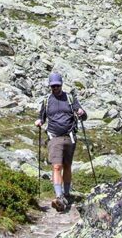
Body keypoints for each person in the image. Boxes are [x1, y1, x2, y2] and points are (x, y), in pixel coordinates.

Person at [35, 72, 87, 213]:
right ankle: (59, 196)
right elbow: (42, 117)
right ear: (50, 86)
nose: (55, 88)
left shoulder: (70, 98)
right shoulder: (46, 101)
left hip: (70, 137)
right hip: (54, 137)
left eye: (57, 85)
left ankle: (67, 193)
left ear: (61, 85)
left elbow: (83, 115)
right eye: (53, 86)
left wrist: (81, 112)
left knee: (67, 166)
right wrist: (39, 121)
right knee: (57, 166)